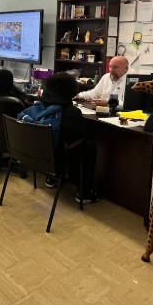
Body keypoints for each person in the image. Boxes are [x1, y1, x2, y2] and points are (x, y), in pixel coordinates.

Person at [41, 72, 100, 205]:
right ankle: (85, 193)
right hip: (59, 155)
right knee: (88, 145)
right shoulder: (71, 112)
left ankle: (52, 178)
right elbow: (80, 136)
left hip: (40, 153)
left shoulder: (39, 106)